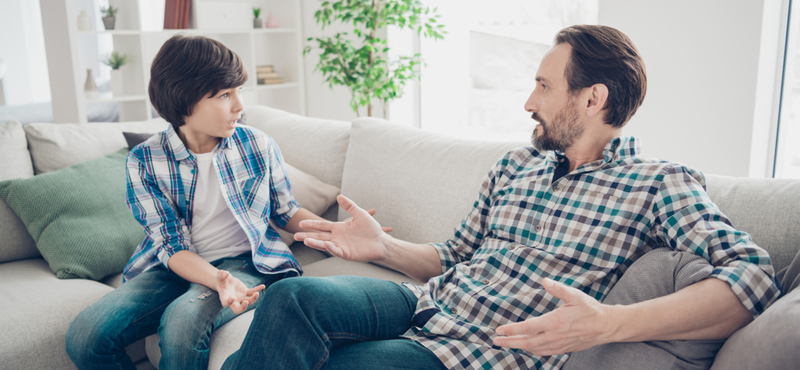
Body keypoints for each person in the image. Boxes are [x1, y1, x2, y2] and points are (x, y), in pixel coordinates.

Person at [221, 25, 780, 370]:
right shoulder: (516, 166)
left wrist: (610, 323)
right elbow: (452, 255)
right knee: (290, 299)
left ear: (593, 98)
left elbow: (752, 277)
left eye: (543, 85)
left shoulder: (658, 182)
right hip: (428, 303)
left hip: (481, 351)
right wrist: (383, 248)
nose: (527, 101)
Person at [64, 34, 327, 370]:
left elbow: (284, 210)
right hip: (175, 267)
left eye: (238, 92)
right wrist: (214, 278)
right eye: (224, 95)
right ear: (184, 100)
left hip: (247, 264)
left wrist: (332, 230)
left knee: (182, 324)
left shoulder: (257, 144)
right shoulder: (144, 160)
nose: (239, 106)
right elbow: (170, 245)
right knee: (86, 336)